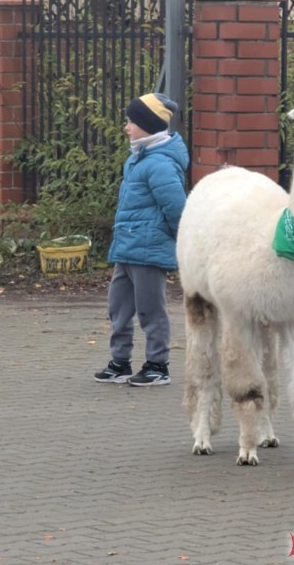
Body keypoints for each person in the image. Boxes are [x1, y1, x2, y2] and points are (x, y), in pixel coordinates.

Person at [94, 92, 189, 387]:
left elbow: (177, 208)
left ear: (148, 125)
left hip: (149, 249)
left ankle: (157, 365)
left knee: (151, 309)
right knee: (118, 306)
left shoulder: (159, 163)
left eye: (131, 121)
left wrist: (182, 243)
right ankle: (120, 362)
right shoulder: (138, 159)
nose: (126, 127)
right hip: (127, 247)